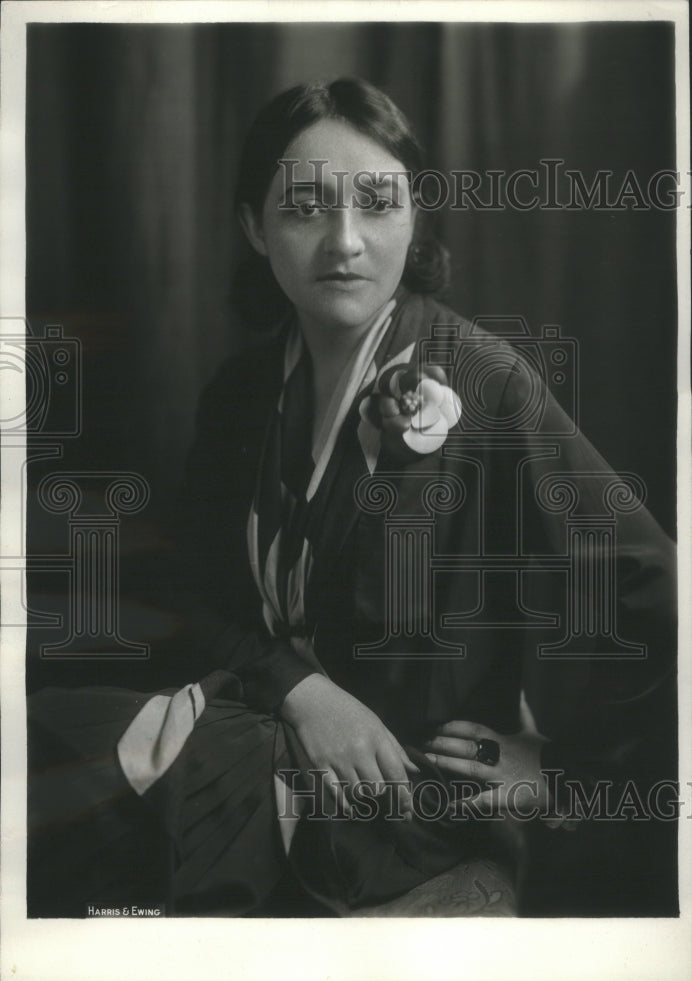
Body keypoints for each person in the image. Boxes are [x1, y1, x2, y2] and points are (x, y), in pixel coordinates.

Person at [27, 78, 677, 918]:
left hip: (406, 797)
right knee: (43, 752)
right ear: (255, 227)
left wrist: (569, 775)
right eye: (304, 209)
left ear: (415, 217)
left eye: (378, 204)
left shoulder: (486, 382)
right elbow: (198, 591)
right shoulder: (241, 391)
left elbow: (651, 583)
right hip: (264, 729)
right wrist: (302, 688)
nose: (346, 242)